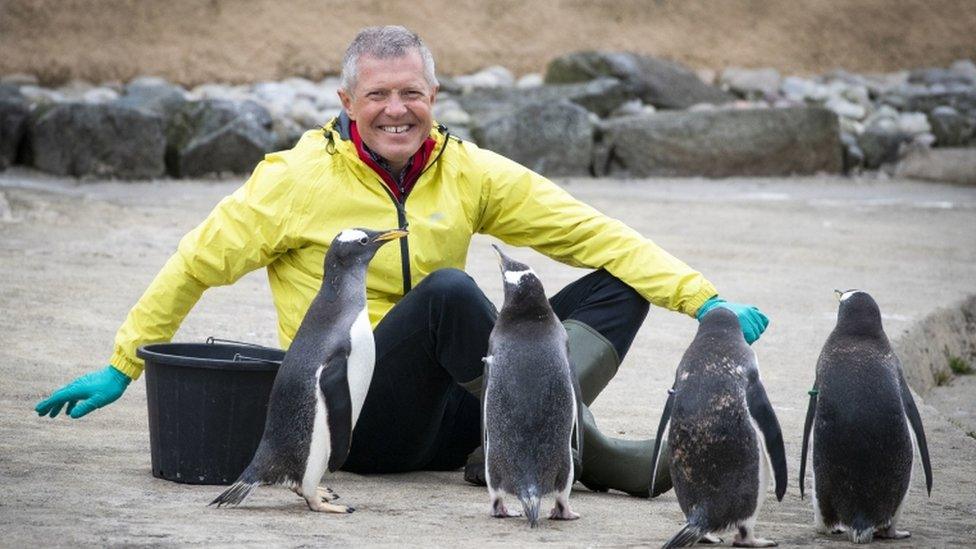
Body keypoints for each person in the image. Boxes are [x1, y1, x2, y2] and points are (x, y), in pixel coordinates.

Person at [35, 25, 768, 497]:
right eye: (378, 94)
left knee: (620, 283)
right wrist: (123, 364)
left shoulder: (468, 170)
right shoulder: (292, 181)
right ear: (347, 100)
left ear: (435, 97)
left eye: (411, 93)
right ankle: (585, 449)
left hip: (459, 406)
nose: (396, 109)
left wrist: (705, 302)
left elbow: (593, 231)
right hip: (361, 419)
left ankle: (504, 449)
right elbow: (195, 261)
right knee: (451, 292)